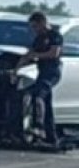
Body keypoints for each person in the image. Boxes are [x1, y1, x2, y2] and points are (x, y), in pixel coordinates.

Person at [17, 11, 63, 147]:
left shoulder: (55, 36)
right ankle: (51, 137)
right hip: (42, 72)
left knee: (38, 95)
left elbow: (54, 53)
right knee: (46, 104)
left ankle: (39, 126)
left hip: (52, 72)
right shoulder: (38, 39)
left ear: (42, 23)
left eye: (35, 27)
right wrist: (16, 69)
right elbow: (28, 55)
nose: (34, 30)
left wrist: (36, 55)